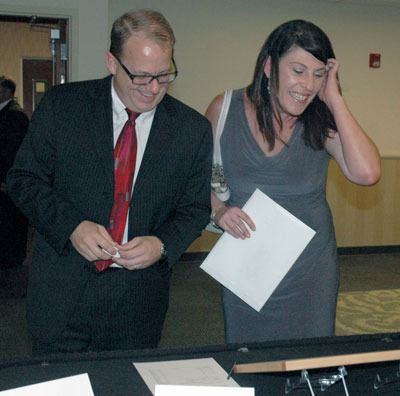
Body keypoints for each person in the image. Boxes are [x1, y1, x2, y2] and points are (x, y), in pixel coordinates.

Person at [7, 9, 212, 354]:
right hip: (62, 294)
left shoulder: (191, 130)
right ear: (112, 63)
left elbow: (194, 209)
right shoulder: (63, 107)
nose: (153, 89)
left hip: (137, 304)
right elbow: (24, 179)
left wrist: (161, 245)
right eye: (141, 76)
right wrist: (72, 226)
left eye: (164, 75)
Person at [205, 20, 380, 343]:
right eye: (298, 70)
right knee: (249, 359)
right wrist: (218, 211)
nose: (307, 85)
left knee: (308, 362)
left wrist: (335, 99)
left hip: (310, 269)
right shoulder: (225, 108)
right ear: (270, 66)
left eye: (318, 74)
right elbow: (194, 180)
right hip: (248, 262)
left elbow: (366, 173)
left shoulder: (320, 120)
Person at [0, 77, 29, 270]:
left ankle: (11, 261)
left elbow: (11, 151)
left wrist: (5, 179)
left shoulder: (14, 116)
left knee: (11, 220)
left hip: (8, 179)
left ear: (8, 92)